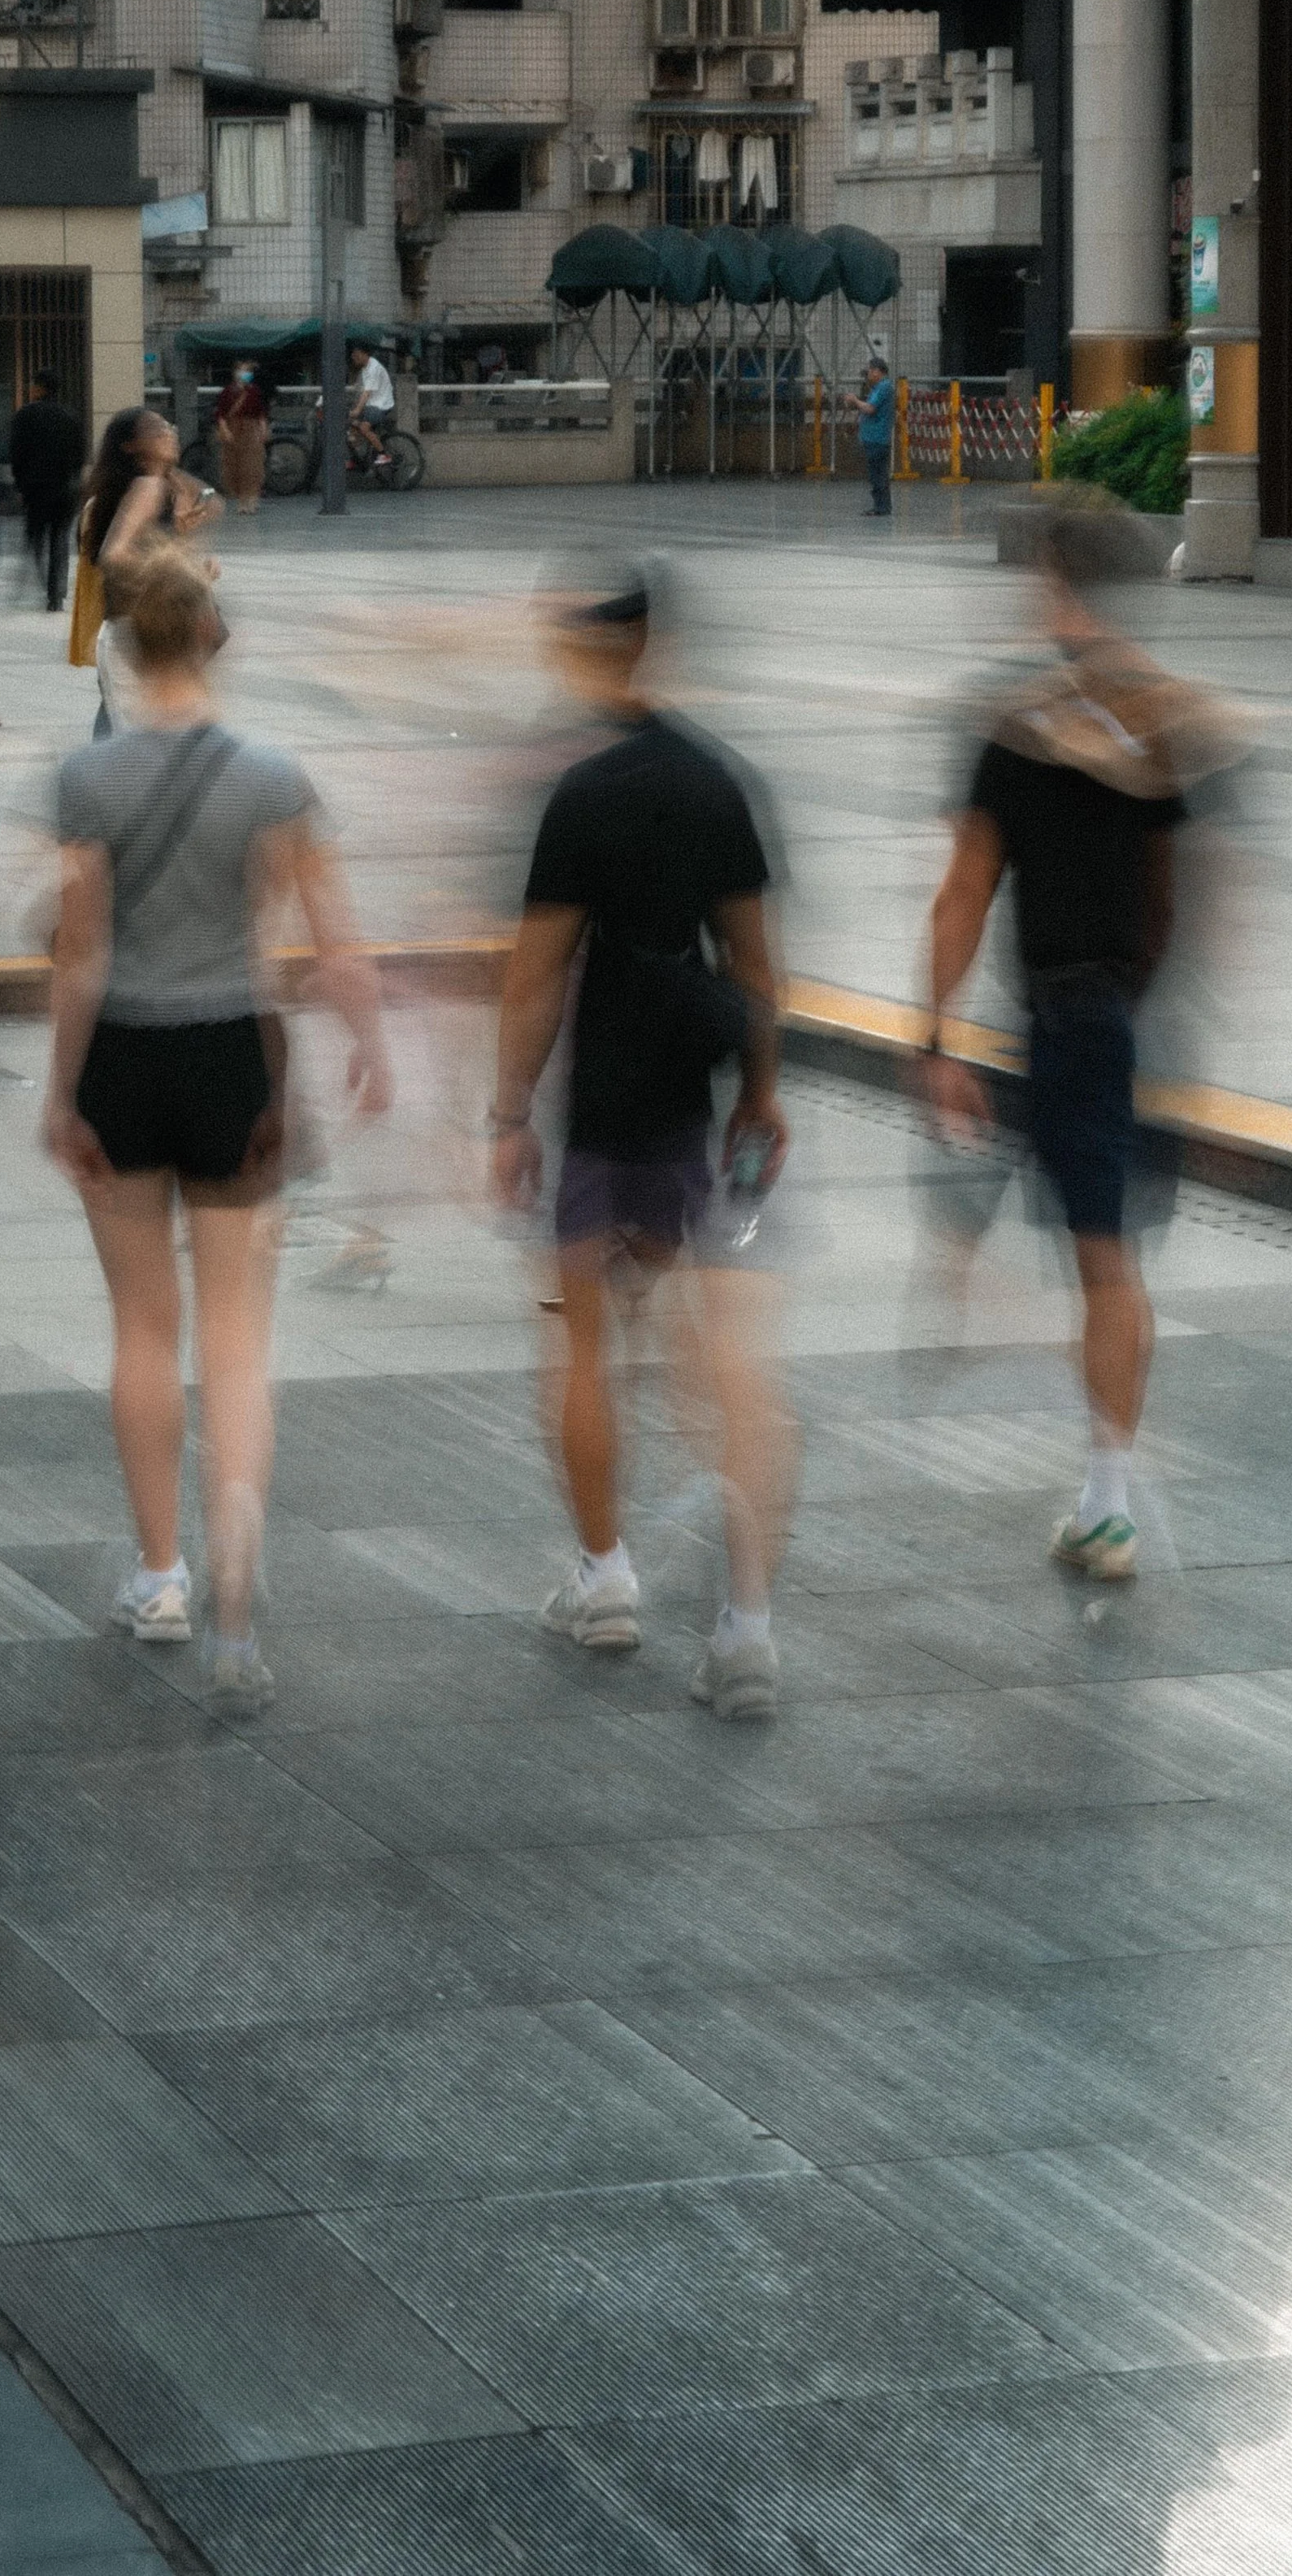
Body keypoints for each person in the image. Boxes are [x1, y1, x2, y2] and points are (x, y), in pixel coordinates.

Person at [42, 536, 393, 1718]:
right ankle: (237, 1581)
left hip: (124, 1056)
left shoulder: (86, 781)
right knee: (237, 1334)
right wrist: (370, 1047)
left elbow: (79, 949)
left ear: (126, 644)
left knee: (144, 1327)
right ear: (210, 636)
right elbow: (337, 942)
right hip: (236, 1054)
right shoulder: (275, 777)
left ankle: (160, 1579)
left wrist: (61, 1090)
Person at [489, 568, 796, 1724]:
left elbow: (535, 976)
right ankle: (746, 1627)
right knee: (719, 1368)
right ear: (652, 644)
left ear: (586, 649)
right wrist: (762, 1094)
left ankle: (605, 1575)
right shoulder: (718, 781)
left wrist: (507, 1114)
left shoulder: (578, 793)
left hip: (599, 1112)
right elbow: (756, 967)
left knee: (580, 1343)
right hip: (693, 1111)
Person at [917, 498, 1241, 1581]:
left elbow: (964, 893)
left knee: (1096, 1262)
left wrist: (934, 1036)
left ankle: (1107, 1507)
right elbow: (1190, 894)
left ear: (1059, 585)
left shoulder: (1015, 727)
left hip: (1065, 1014)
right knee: (1116, 1264)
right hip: (1144, 1017)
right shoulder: (1175, 720)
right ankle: (1104, 1488)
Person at [68, 406, 220, 728]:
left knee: (132, 734)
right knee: (139, 739)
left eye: (168, 426)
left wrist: (186, 560)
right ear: (131, 446)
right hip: (134, 630)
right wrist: (180, 571)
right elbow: (114, 554)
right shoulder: (148, 487)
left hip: (150, 632)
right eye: (156, 429)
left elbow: (212, 502)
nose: (169, 433)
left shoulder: (159, 486)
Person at [8, 370, 88, 611]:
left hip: (36, 490)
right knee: (59, 540)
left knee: (35, 537)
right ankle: (56, 594)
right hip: (65, 490)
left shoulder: (25, 416)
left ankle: (39, 581)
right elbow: (80, 455)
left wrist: (20, 485)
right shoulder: (71, 417)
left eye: (33, 385)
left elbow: (17, 455)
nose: (30, 389)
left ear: (40, 388)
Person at [211, 362, 269, 516]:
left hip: (251, 430)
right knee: (234, 466)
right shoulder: (227, 392)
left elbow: (261, 414)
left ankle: (252, 500)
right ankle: (242, 501)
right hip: (232, 429)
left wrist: (263, 430)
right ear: (235, 373)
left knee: (252, 466)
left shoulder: (255, 391)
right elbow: (221, 414)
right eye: (242, 371)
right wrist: (225, 430)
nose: (245, 375)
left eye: (247, 372)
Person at [843, 354, 895, 518]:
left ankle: (882, 507)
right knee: (876, 474)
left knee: (878, 474)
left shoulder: (884, 387)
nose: (869, 374)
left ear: (879, 372)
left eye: (871, 370)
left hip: (877, 439)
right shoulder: (878, 388)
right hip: (873, 438)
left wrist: (855, 401)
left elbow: (870, 408)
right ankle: (881, 506)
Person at [347, 342, 397, 467]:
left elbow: (367, 393)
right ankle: (355, 459)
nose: (354, 358)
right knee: (352, 428)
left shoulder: (374, 368)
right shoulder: (365, 368)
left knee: (364, 428)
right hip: (371, 404)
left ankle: (383, 455)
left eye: (357, 355)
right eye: (353, 356)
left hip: (381, 405)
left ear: (365, 354)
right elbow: (361, 391)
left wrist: (357, 410)